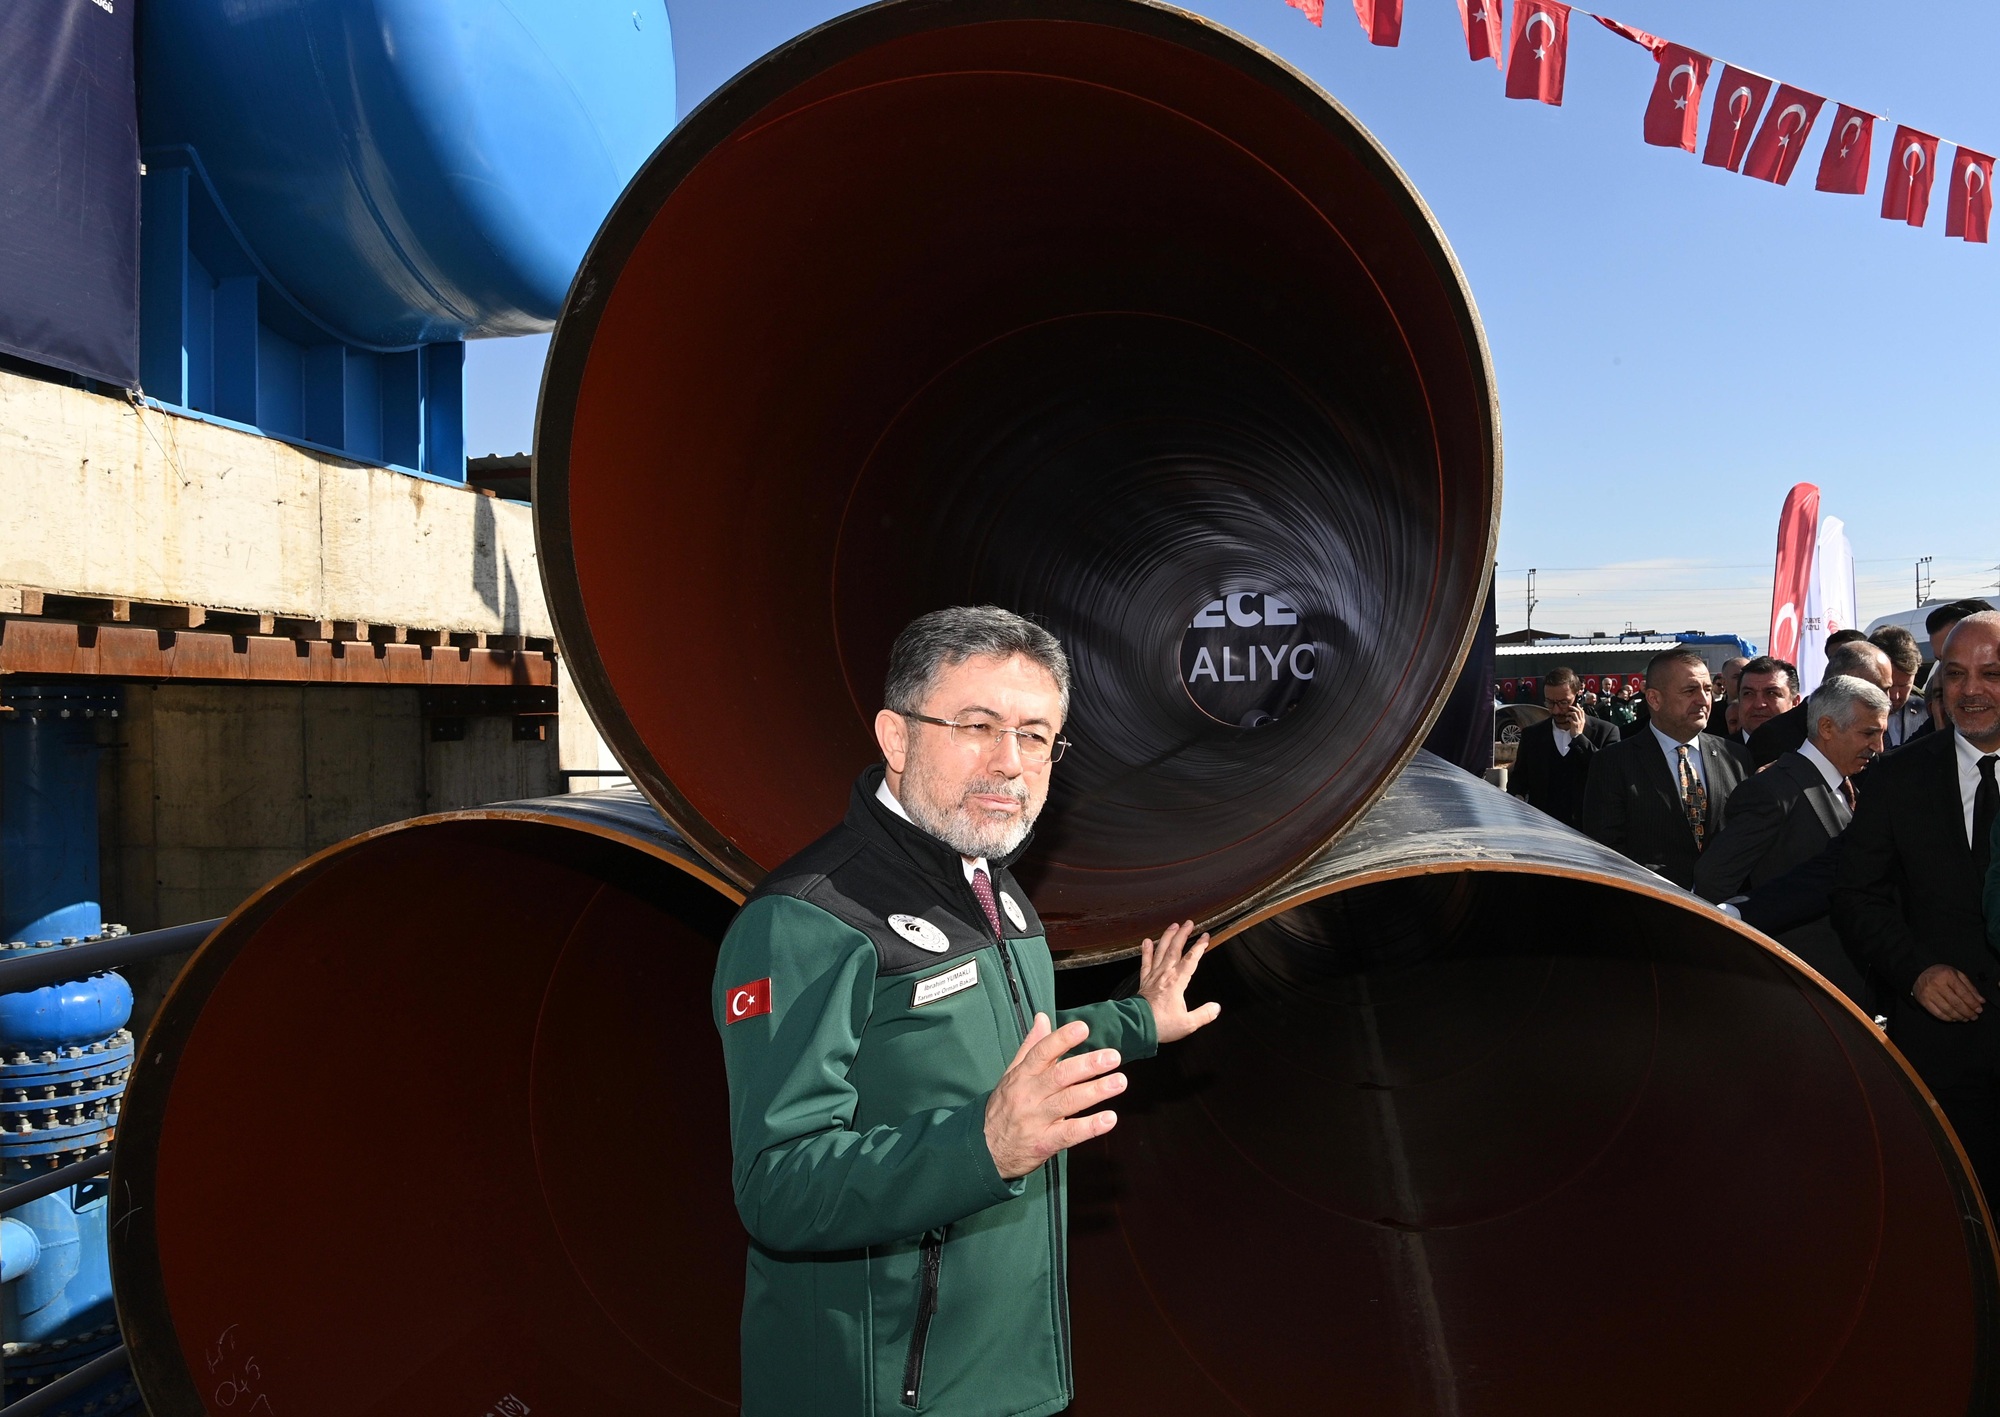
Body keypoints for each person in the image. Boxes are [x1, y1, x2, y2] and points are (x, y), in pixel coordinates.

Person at [712, 606, 1219, 1416]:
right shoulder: (810, 920)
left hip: (1011, 1381)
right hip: (877, 1393)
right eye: (977, 726)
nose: (1009, 762)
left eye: (1035, 735)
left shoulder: (996, 890)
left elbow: (1008, 1048)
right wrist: (981, 1145)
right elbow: (777, 1186)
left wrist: (1139, 1021)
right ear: (896, 736)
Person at [1833, 612, 2000, 1196]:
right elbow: (1857, 895)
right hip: (1942, 1054)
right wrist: (1916, 971)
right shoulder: (1896, 778)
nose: (1971, 690)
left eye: (1991, 673)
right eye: (1955, 674)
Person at [1694, 676, 1888, 1011]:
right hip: (1794, 992)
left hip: (1848, 988)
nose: (1878, 746)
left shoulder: (1848, 785)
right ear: (1827, 727)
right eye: (1869, 733)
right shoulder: (1773, 790)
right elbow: (1713, 880)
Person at [1581, 647, 1753, 888]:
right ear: (1654, 699)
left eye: (1707, 689)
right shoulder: (1613, 763)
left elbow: (1746, 838)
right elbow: (1607, 850)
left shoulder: (1735, 756)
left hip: (1727, 903)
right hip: (1652, 901)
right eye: (1690, 690)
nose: (1703, 700)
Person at [1748, 640, 1893, 768]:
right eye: (1879, 690)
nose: (1888, 698)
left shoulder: (1878, 728)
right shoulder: (1772, 738)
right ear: (1845, 683)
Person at [1508, 666, 1620, 829]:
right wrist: (1517, 797)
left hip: (1589, 830)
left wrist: (1579, 739)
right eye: (1550, 702)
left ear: (1577, 696)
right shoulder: (1532, 735)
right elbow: (1519, 779)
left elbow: (1609, 776)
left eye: (1563, 703)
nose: (1556, 710)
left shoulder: (1606, 732)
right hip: (1544, 829)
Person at [1870, 625, 1927, 750]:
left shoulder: (1927, 713)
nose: (1894, 696)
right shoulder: (1846, 717)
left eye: (1904, 685)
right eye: (1888, 686)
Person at [1734, 656, 1798, 745]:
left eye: (1771, 693)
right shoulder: (1718, 751)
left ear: (1795, 702)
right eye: (1748, 693)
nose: (1759, 704)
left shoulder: (1810, 750)